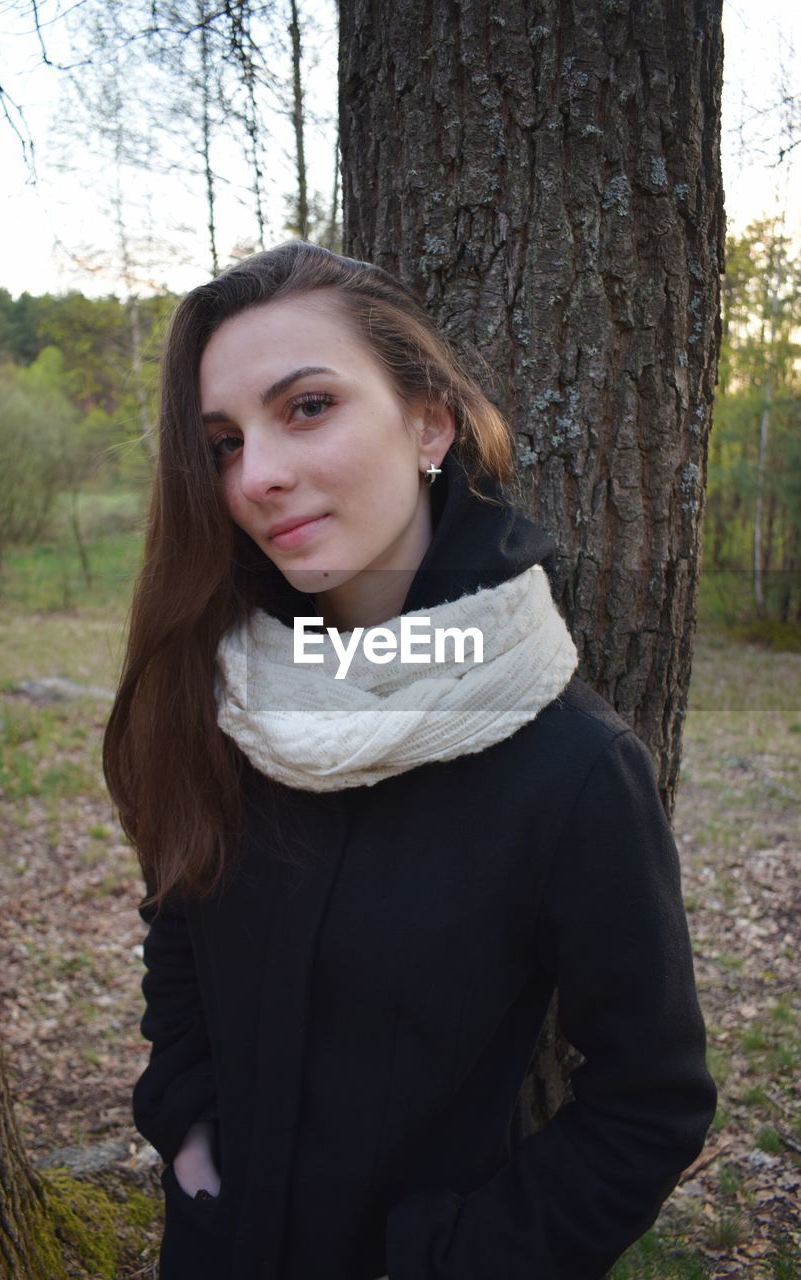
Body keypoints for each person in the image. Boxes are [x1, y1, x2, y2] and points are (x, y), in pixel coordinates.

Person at [103, 240, 716, 1280]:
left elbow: (649, 1102)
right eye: (220, 442)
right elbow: (181, 912)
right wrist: (190, 1124)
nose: (257, 475)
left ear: (429, 421)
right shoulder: (231, 694)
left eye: (306, 407)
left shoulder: (566, 763)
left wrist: (445, 1260)